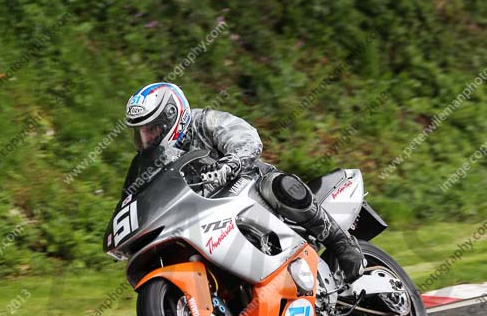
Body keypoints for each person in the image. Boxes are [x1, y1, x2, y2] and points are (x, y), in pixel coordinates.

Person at [124, 81, 364, 284]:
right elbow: (141, 194)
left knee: (278, 186)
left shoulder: (205, 121)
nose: (146, 138)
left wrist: (228, 165)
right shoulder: (155, 161)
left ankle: (340, 242)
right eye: (141, 132)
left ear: (171, 117)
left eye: (152, 129)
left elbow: (247, 138)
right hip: (204, 215)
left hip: (247, 186)